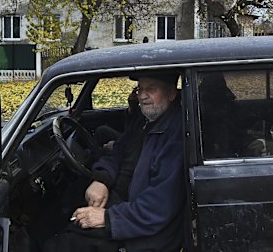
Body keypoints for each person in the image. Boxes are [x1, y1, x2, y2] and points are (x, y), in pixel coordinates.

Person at [44, 73, 185, 252]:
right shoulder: (145, 120)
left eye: (150, 89)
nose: (142, 95)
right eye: (140, 88)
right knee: (62, 204)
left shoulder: (176, 135)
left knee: (61, 245)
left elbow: (159, 207)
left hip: (142, 228)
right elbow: (119, 151)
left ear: (172, 93)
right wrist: (101, 179)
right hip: (122, 202)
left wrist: (108, 218)